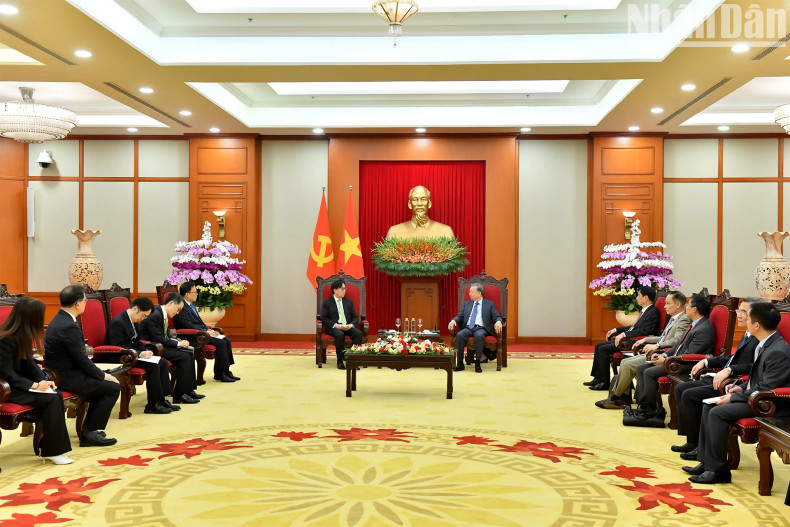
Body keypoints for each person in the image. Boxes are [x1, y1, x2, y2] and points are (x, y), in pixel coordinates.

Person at [684, 301, 790, 484]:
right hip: (755, 396)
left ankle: (718, 471)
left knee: (717, 412)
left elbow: (766, 388)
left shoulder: (777, 351)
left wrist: (733, 397)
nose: (745, 321)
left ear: (757, 325)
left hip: (769, 403)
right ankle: (707, 462)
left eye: (748, 318)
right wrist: (740, 387)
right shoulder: (766, 343)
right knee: (709, 406)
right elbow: (758, 378)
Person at [670, 298, 759, 460]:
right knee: (681, 389)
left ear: (755, 317)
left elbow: (754, 366)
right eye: (738, 311)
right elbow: (733, 358)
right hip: (722, 376)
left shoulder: (757, 338)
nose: (739, 315)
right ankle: (692, 441)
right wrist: (706, 361)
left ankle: (699, 445)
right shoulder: (748, 334)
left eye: (744, 312)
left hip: (732, 382)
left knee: (690, 395)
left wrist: (730, 370)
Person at [43, 284, 120, 447]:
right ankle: (89, 433)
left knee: (105, 383)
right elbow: (81, 359)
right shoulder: (68, 326)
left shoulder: (59, 319)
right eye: (85, 301)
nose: (86, 303)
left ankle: (89, 429)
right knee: (112, 387)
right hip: (68, 377)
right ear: (78, 304)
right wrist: (102, 375)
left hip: (63, 372)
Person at [0, 297, 73, 464]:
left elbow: (29, 364)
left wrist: (44, 380)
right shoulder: (6, 339)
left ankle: (53, 449)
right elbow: (5, 373)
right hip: (5, 389)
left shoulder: (21, 335)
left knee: (55, 394)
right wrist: (33, 385)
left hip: (17, 384)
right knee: (51, 399)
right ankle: (53, 451)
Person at [595, 290, 690, 409]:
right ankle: (622, 396)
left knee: (628, 364)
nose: (665, 306)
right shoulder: (675, 318)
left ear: (678, 305)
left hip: (664, 353)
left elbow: (677, 341)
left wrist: (658, 346)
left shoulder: (683, 319)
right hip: (658, 350)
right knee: (624, 362)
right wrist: (646, 339)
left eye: (668, 303)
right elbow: (663, 337)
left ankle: (618, 397)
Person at [632, 293, 715, 418]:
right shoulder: (695, 324)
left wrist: (667, 361)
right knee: (641, 368)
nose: (685, 307)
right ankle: (645, 405)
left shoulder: (704, 329)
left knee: (649, 372)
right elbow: (679, 345)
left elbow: (690, 355)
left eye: (688, 305)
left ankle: (649, 410)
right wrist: (665, 355)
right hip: (677, 360)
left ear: (694, 309)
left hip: (688, 365)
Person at [105, 296, 179, 414]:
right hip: (120, 357)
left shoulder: (132, 320)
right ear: (135, 309)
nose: (142, 319)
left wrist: (145, 351)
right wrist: (139, 354)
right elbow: (117, 346)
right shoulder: (118, 322)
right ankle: (152, 404)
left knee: (162, 362)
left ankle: (161, 399)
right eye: (143, 315)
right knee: (153, 366)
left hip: (131, 354)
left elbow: (136, 341)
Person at [585, 286, 660, 391]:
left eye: (639, 295)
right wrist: (616, 330)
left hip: (637, 341)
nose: (637, 298)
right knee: (598, 346)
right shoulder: (645, 311)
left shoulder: (653, 312)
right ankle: (598, 378)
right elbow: (634, 327)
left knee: (603, 349)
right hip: (632, 338)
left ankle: (605, 382)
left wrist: (624, 334)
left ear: (646, 298)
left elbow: (645, 331)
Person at [139, 293, 203, 404]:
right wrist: (178, 344)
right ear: (171, 303)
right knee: (184, 356)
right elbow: (157, 338)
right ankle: (179, 395)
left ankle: (188, 390)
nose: (177, 313)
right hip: (152, 348)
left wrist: (177, 341)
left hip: (160, 345)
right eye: (178, 309)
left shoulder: (162, 313)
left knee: (189, 352)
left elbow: (166, 335)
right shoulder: (155, 315)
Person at [174, 281, 238, 383]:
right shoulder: (182, 307)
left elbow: (199, 322)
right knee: (221, 342)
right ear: (187, 294)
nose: (197, 294)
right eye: (195, 292)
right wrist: (205, 331)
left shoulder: (191, 305)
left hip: (201, 333)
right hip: (192, 337)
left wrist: (208, 330)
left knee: (227, 340)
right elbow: (187, 325)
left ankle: (225, 370)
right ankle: (221, 373)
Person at [448, 282, 503, 373]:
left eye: (472, 292)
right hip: (468, 328)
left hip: (481, 328)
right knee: (460, 335)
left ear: (479, 293)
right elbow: (460, 316)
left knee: (479, 336)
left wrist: (498, 321)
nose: (469, 294)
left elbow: (496, 316)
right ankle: (460, 363)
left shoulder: (489, 304)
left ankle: (477, 363)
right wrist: (453, 320)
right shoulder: (467, 304)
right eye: (469, 292)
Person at [320, 279, 362, 370]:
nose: (344, 291)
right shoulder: (327, 302)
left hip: (347, 326)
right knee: (340, 334)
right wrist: (336, 325)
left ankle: (353, 359)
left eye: (345, 288)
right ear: (335, 290)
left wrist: (351, 325)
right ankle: (340, 360)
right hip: (335, 327)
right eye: (342, 289)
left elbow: (355, 317)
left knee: (358, 333)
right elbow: (324, 318)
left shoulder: (348, 301)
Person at [385, 185, 455, 240]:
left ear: (429, 203)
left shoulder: (445, 232)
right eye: (415, 200)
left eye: (423, 199)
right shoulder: (394, 232)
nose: (419, 204)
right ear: (409, 204)